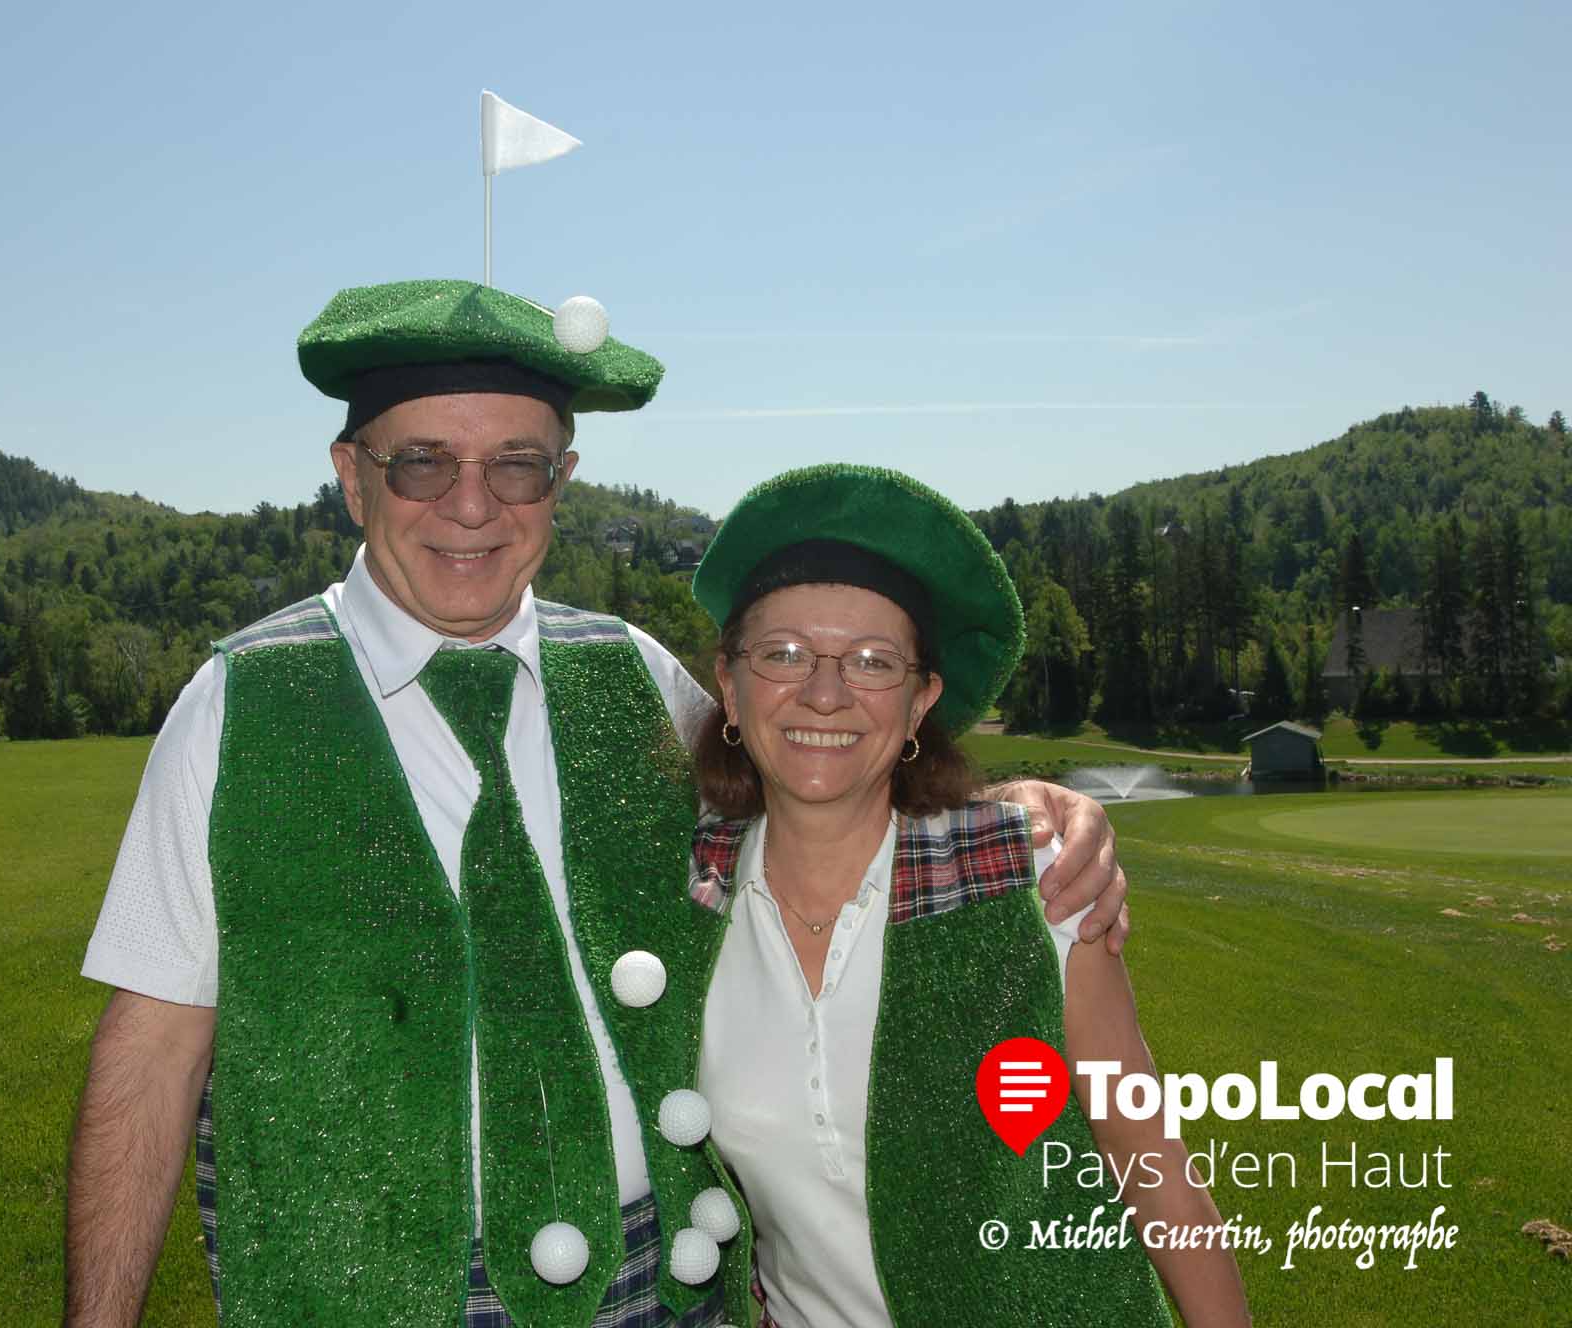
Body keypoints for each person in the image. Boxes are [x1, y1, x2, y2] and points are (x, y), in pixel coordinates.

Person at [63, 281, 1132, 1328]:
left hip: (668, 1283)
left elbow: (819, 753)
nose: (470, 505)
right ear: (352, 478)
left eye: (515, 465)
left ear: (560, 481)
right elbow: (152, 1048)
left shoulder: (635, 677)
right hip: (365, 1297)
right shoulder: (239, 706)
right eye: (421, 461)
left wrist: (1017, 810)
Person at [685, 464, 1250, 1327]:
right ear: (730, 683)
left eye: (874, 662)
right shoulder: (687, 905)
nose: (826, 693)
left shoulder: (1030, 888)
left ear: (921, 704)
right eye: (785, 653)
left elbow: (1152, 1162)